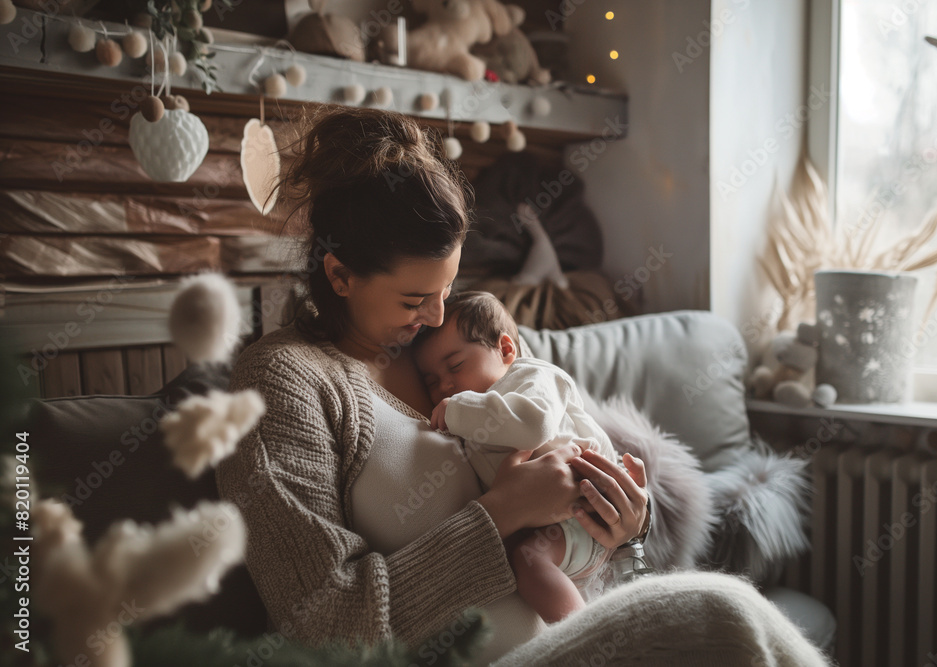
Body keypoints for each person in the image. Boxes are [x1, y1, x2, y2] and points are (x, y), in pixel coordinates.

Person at [214, 106, 831, 666]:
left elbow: (572, 466)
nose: (433, 317)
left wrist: (625, 524)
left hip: (569, 640)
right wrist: (505, 510)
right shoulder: (284, 382)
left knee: (727, 616)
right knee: (724, 616)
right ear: (340, 274)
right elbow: (322, 625)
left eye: (445, 291)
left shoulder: (455, 345)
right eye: (412, 298)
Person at [412, 290, 626, 623]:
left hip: (587, 509)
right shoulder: (477, 416)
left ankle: (582, 641)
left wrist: (456, 412)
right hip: (555, 522)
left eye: (455, 365)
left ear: (507, 349)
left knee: (528, 561)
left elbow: (535, 425)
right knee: (517, 562)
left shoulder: (531, 376)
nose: (445, 386)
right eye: (432, 381)